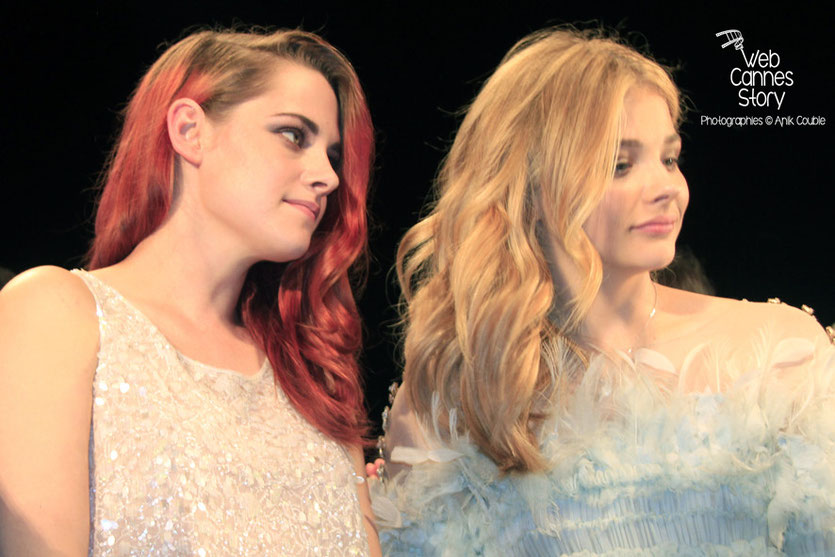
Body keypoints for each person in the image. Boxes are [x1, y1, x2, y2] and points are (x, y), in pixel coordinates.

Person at [374, 28, 834, 555]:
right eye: (620, 164)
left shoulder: (779, 353)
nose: (666, 188)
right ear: (533, 187)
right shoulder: (460, 394)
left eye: (669, 157)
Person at [0, 29, 381, 555]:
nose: (328, 177)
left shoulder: (315, 380)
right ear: (189, 130)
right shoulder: (55, 316)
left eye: (332, 154)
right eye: (294, 135)